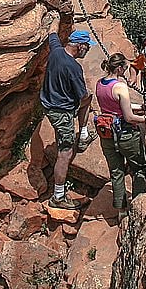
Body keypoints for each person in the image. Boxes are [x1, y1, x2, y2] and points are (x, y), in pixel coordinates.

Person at [40, 28, 94, 209]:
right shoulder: (73, 67)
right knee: (65, 152)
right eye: (86, 46)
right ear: (79, 46)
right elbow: (81, 95)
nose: (87, 49)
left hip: (49, 104)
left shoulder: (56, 51)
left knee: (87, 98)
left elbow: (52, 35)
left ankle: (84, 134)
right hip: (61, 111)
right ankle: (58, 196)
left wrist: (53, 20)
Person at [94, 54, 146, 211]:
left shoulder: (100, 84)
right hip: (125, 134)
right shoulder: (120, 87)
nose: (126, 71)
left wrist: (139, 107)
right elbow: (129, 117)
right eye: (125, 68)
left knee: (116, 171)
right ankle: (139, 205)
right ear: (119, 68)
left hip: (107, 133)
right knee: (139, 167)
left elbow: (114, 106)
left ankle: (120, 209)